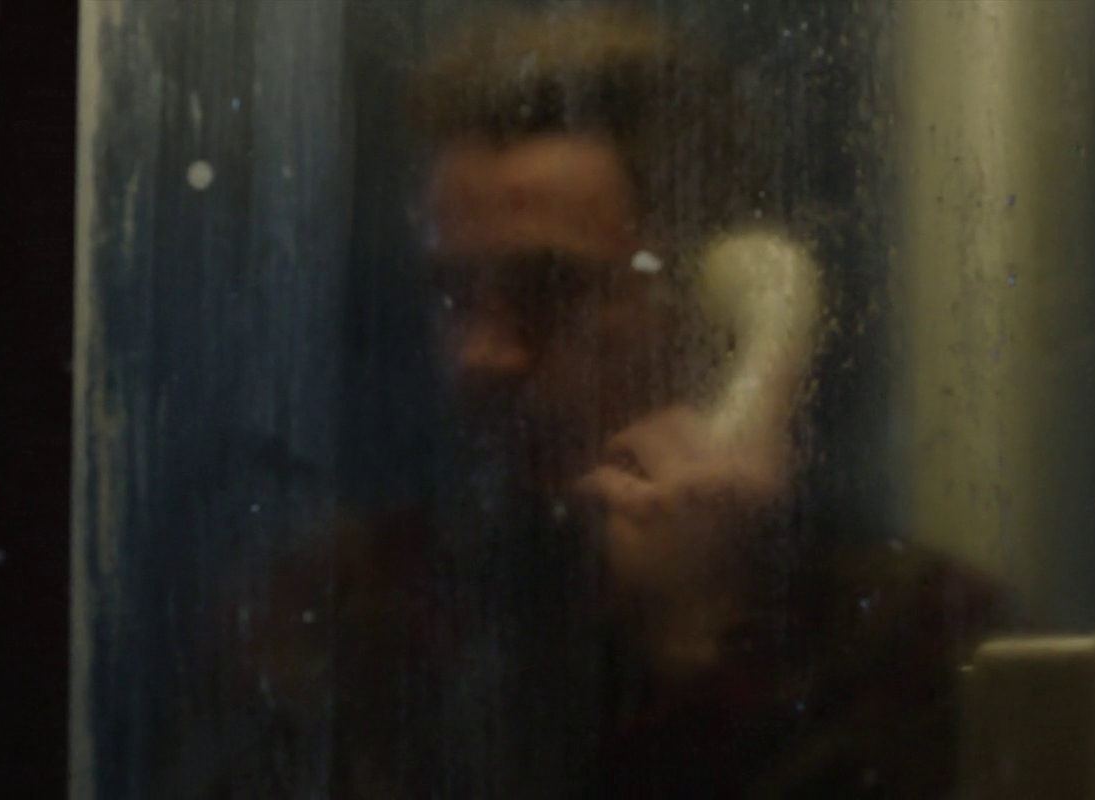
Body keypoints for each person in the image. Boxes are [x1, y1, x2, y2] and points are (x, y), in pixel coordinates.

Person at [213, 9, 1006, 797]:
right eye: (454, 295)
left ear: (712, 302)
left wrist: (697, 639)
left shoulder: (910, 638)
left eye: (553, 289)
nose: (481, 355)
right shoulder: (340, 612)